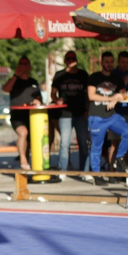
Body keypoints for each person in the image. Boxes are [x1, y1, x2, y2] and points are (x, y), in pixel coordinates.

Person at [87, 51, 128, 186]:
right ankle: (97, 176)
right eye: (106, 62)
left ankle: (119, 157)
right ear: (101, 63)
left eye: (111, 62)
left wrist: (119, 96)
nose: (109, 64)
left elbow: (123, 93)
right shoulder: (94, 77)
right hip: (97, 116)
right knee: (97, 147)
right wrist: (112, 98)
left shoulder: (116, 78)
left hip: (112, 116)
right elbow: (91, 96)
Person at [51, 51, 90, 181]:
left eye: (73, 58)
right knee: (64, 143)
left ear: (77, 60)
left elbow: (88, 95)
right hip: (65, 113)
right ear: (65, 60)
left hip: (80, 113)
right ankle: (62, 170)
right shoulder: (59, 75)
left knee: (83, 143)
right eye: (68, 58)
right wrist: (56, 100)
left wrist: (87, 110)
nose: (71, 60)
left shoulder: (83, 74)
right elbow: (53, 93)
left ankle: (85, 171)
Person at [2, 56, 42, 170]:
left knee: (31, 140)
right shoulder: (14, 80)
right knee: (23, 133)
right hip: (17, 115)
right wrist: (16, 75)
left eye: (26, 63)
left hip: (32, 116)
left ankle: (29, 162)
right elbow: (5, 89)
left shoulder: (33, 82)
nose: (23, 66)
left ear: (29, 66)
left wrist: (37, 101)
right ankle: (23, 161)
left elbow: (39, 98)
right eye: (21, 63)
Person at [108, 51, 128, 183]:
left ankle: (126, 174)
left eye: (127, 62)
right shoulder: (113, 75)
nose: (125, 64)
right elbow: (114, 93)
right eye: (122, 62)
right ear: (118, 61)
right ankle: (112, 174)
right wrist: (125, 83)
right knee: (114, 143)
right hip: (116, 113)